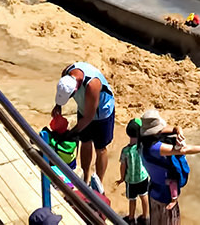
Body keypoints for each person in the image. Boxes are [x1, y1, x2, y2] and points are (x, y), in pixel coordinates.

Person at [55, 62, 119, 191]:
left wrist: (72, 133)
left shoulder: (92, 85)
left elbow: (89, 118)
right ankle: (85, 178)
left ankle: (98, 183)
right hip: (84, 108)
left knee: (100, 148)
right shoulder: (67, 73)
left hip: (101, 113)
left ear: (76, 89)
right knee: (85, 141)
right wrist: (57, 106)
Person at [121, 118, 152, 225]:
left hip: (130, 180)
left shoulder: (125, 151)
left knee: (132, 199)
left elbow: (123, 166)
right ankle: (145, 216)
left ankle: (131, 218)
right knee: (144, 196)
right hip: (143, 177)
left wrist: (122, 178)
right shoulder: (142, 147)